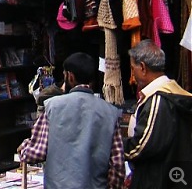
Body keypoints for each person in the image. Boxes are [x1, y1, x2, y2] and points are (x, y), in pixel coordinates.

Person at [18, 52, 125, 189]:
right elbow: (117, 165)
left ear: (70, 76)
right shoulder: (110, 112)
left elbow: (36, 153)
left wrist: (24, 148)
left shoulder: (53, 106)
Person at [124, 39, 192, 189]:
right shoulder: (176, 93)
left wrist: (116, 146)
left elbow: (141, 146)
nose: (133, 74)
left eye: (132, 68)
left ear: (142, 67)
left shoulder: (158, 99)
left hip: (157, 179)